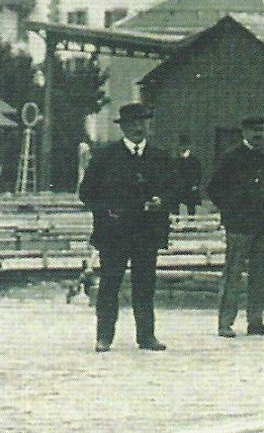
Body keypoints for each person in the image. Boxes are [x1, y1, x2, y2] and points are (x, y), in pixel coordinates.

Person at [78, 102, 173, 352]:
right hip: (114, 233)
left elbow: (174, 189)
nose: (138, 127)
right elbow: (86, 193)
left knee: (145, 285)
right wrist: (108, 210)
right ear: (123, 128)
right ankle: (104, 337)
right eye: (133, 123)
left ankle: (146, 336)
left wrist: (162, 201)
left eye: (143, 122)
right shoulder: (106, 157)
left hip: (147, 233)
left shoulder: (160, 157)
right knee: (110, 284)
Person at [205, 116, 264, 339]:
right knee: (233, 273)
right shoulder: (230, 158)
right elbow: (214, 189)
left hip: (263, 225)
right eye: (253, 130)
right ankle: (225, 322)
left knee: (260, 274)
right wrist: (231, 211)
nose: (258, 134)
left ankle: (255, 321)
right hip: (239, 225)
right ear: (244, 132)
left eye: (262, 130)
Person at [172, 133, 202, 215]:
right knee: (175, 204)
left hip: (190, 186)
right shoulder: (176, 160)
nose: (183, 147)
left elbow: (198, 173)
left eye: (185, 145)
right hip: (179, 186)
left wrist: (195, 184)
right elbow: (174, 172)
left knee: (191, 206)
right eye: (181, 145)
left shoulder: (194, 160)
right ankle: (176, 221)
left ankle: (191, 222)